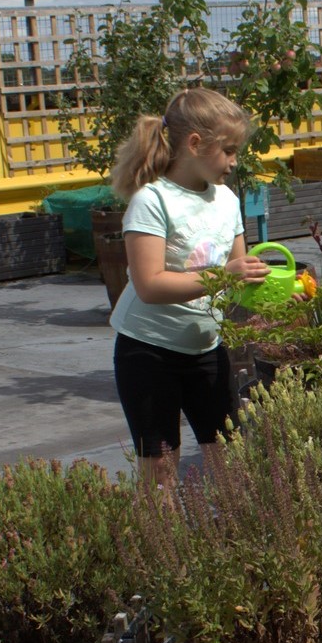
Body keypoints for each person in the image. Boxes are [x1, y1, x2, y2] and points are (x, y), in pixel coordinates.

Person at [108, 86, 269, 492]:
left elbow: (238, 285)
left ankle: (235, 547)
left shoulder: (228, 201)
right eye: (229, 151)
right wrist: (223, 276)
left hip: (206, 350)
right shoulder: (152, 201)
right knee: (160, 473)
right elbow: (149, 285)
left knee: (230, 462)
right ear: (195, 144)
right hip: (148, 352)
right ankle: (162, 554)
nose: (234, 162)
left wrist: (280, 297)